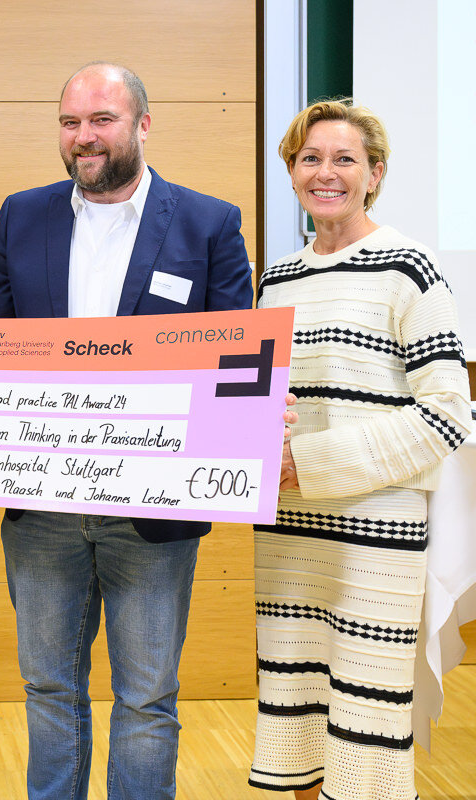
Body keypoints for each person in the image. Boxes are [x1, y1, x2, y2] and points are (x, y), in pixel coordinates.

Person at [0, 63, 254, 800]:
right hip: (42, 508)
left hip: (155, 514)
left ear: (142, 124)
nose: (84, 137)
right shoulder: (20, 214)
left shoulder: (209, 222)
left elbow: (236, 358)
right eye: (70, 123)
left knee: (145, 699)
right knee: (47, 688)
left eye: (101, 119)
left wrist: (249, 424)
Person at [249, 101, 472, 800]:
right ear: (290, 172)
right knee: (296, 706)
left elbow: (447, 414)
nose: (326, 173)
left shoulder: (410, 267)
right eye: (310, 158)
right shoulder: (277, 278)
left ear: (375, 175)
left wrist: (306, 465)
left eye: (345, 160)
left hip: (375, 534)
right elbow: (255, 402)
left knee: (365, 721)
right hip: (289, 532)